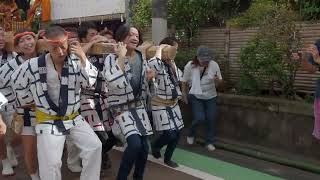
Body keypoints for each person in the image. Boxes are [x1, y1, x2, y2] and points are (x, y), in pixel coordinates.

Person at [11, 25, 102, 180]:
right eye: (55, 48)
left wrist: (83, 58)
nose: (60, 52)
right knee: (51, 163)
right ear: (47, 46)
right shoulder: (33, 65)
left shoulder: (75, 61)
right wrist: (30, 100)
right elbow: (16, 83)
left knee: (94, 146)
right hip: (48, 120)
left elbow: (89, 83)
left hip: (73, 118)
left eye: (63, 47)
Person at [103, 24, 154, 180]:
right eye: (131, 34)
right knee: (135, 144)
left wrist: (149, 78)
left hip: (138, 106)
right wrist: (121, 56)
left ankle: (138, 176)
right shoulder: (111, 58)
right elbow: (112, 82)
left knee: (145, 147)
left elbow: (143, 83)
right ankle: (122, 177)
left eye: (137, 35)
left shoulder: (140, 56)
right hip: (120, 107)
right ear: (121, 38)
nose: (135, 37)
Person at [76, 22, 117, 171]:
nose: (96, 37)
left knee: (112, 136)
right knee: (98, 137)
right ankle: (92, 163)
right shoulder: (78, 52)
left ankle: (98, 155)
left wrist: (111, 44)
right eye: (91, 35)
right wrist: (92, 43)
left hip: (104, 100)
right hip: (86, 101)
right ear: (83, 39)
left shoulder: (103, 51)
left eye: (96, 34)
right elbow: (77, 54)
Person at [0, 28, 39, 178]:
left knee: (17, 134)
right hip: (6, 100)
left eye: (2, 35)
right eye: (22, 40)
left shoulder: (13, 55)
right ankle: (5, 161)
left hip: (16, 102)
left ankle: (8, 146)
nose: (1, 38)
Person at [148, 37, 184, 168]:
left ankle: (168, 158)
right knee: (170, 133)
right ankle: (155, 145)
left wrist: (172, 63)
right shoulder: (154, 62)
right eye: (173, 49)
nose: (175, 52)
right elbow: (154, 66)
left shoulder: (171, 63)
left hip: (173, 103)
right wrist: (160, 49)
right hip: (160, 103)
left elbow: (180, 77)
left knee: (178, 132)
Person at [181, 46, 223, 151]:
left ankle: (209, 141)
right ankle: (191, 133)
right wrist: (183, 94)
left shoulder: (214, 65)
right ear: (197, 57)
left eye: (207, 60)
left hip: (211, 96)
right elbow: (184, 81)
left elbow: (220, 82)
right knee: (200, 118)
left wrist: (217, 80)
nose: (205, 62)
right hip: (196, 95)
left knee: (211, 118)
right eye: (203, 59)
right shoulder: (190, 66)